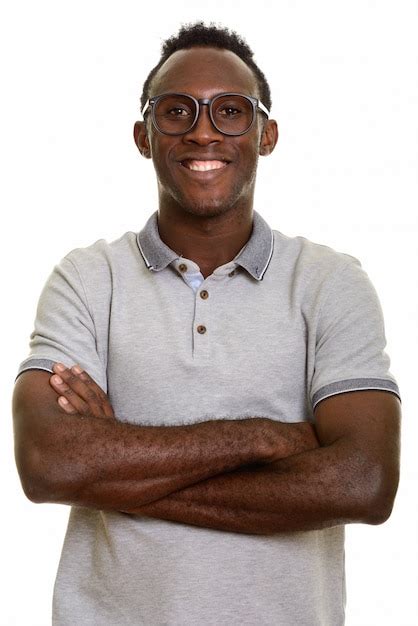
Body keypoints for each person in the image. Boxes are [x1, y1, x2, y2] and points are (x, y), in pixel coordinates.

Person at [12, 21, 401, 626]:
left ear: (266, 135)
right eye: (175, 111)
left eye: (229, 111)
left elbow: (364, 483)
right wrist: (266, 439)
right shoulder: (88, 278)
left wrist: (113, 470)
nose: (201, 131)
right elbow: (49, 464)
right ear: (143, 136)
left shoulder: (330, 282)